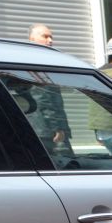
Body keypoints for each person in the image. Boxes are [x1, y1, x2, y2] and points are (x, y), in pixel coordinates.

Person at [25, 23, 73, 159]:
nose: (50, 40)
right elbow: (44, 100)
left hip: (43, 130)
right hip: (48, 132)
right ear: (32, 39)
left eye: (51, 37)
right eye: (45, 36)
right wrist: (57, 128)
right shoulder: (36, 63)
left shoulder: (38, 61)